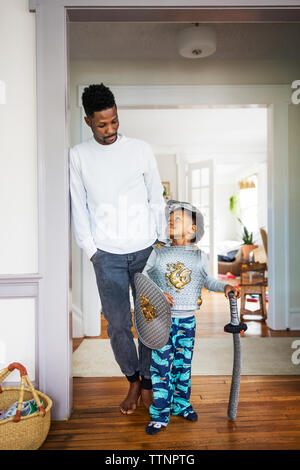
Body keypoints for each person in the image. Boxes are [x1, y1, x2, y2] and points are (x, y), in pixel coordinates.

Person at [69, 83, 167, 415]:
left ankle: (150, 383)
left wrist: (159, 240)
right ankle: (133, 381)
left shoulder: (140, 149)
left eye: (114, 121)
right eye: (101, 124)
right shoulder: (78, 156)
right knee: (118, 323)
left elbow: (156, 196)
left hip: (145, 250)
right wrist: (91, 249)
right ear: (88, 122)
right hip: (106, 254)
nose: (109, 129)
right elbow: (78, 206)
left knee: (150, 321)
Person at [141, 200, 240, 434]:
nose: (170, 222)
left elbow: (208, 281)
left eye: (177, 219)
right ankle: (160, 413)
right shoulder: (157, 253)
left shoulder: (199, 257)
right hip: (161, 321)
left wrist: (225, 287)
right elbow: (143, 279)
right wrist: (159, 293)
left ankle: (181, 403)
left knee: (183, 365)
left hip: (187, 321)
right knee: (160, 367)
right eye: (169, 219)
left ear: (192, 229)